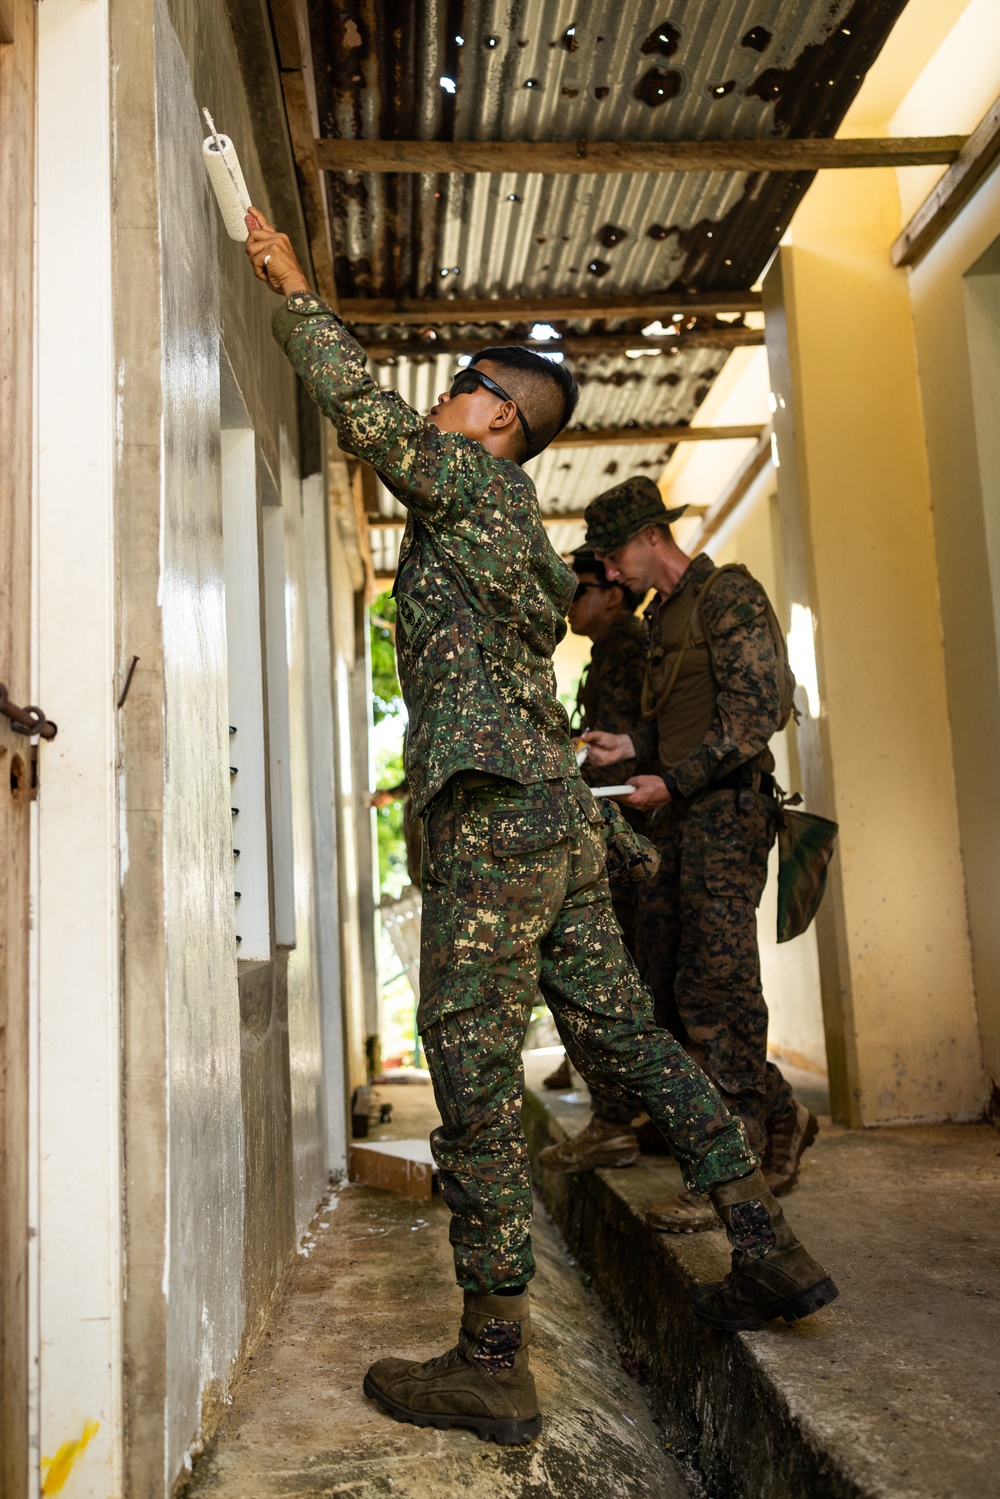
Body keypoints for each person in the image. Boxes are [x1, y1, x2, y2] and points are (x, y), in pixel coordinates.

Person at [244, 210, 838, 1447]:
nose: (443, 406)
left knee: (466, 1064)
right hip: (555, 818)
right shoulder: (508, 531)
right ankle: (764, 1245)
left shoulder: (472, 484)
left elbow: (368, 413)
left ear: (493, 415)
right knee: (633, 1034)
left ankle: (493, 1354)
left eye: (458, 392)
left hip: (506, 824)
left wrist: (297, 289)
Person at [574, 476, 819, 1234]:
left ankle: (732, 1176)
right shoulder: (662, 620)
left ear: (651, 537)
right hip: (680, 817)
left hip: (726, 812)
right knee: (674, 993)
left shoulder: (726, 597)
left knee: (718, 988)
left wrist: (669, 778)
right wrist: (631, 747)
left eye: (613, 556)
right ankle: (781, 1115)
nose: (609, 575)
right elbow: (683, 721)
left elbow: (757, 713)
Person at [538, 553, 652, 1166]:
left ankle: (620, 1124)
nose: (570, 602)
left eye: (580, 590)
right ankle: (618, 1121)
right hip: (616, 834)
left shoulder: (627, 646)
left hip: (630, 833)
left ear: (612, 595)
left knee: (628, 984)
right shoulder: (610, 651)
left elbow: (630, 747)